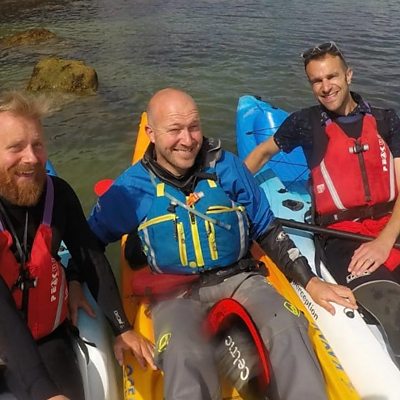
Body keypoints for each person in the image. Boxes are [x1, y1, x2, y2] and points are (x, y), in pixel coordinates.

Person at [88, 87, 357, 400]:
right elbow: (88, 245)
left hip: (240, 279)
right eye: (174, 130)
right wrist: (121, 328)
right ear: (151, 133)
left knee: (287, 326)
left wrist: (310, 281)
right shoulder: (131, 188)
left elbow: (266, 228)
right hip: (175, 294)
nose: (187, 140)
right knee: (183, 354)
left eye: (194, 127)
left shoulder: (227, 167)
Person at [0, 90, 155, 400]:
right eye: (16, 147)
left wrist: (122, 328)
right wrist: (44, 392)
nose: (31, 158)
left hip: (46, 340)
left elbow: (91, 258)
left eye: (38, 145)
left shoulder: (58, 195)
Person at [244, 41, 400, 289]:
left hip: (392, 225)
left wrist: (384, 241)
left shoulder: (386, 120)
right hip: (341, 236)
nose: (326, 87)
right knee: (384, 295)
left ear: (348, 75)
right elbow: (263, 153)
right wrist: (227, 189)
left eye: (332, 76)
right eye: (316, 81)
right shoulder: (305, 122)